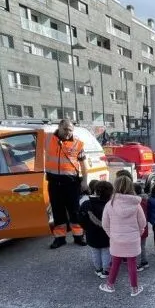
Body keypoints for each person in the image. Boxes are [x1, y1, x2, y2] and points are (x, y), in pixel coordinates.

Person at [100, 175, 147, 296]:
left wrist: (112, 235)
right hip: (132, 239)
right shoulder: (136, 205)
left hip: (116, 240)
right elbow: (143, 223)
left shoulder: (109, 204)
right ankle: (134, 289)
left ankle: (110, 285)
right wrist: (139, 233)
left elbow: (105, 224)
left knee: (115, 263)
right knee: (132, 263)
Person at [45, 119, 89, 249]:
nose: (68, 132)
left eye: (70, 130)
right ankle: (60, 238)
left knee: (74, 210)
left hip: (71, 183)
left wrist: (85, 181)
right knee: (57, 211)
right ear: (59, 127)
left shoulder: (78, 143)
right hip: (54, 182)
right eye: (65, 129)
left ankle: (78, 236)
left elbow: (83, 164)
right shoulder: (47, 139)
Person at [80, 180, 113, 278]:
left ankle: (98, 269)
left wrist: (87, 229)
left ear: (95, 190)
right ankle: (106, 271)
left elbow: (81, 219)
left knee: (95, 252)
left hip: (91, 234)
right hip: (107, 234)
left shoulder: (86, 204)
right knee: (106, 251)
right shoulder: (110, 204)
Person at [134, 182, 150, 271]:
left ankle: (138, 264)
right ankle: (144, 261)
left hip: (138, 228)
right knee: (142, 246)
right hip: (145, 227)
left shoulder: (137, 203)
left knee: (137, 247)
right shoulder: (144, 200)